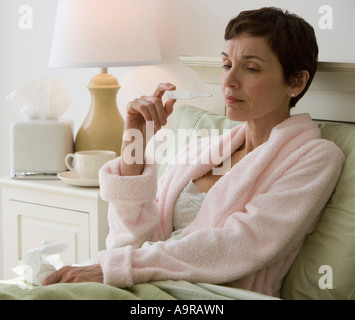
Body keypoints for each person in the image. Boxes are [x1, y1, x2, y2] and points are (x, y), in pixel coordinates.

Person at [44, 7, 344, 297]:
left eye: (251, 68)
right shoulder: (203, 150)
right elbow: (132, 240)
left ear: (296, 82)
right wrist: (133, 139)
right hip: (141, 282)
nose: (228, 81)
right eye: (226, 64)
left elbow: (239, 244)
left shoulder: (314, 158)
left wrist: (117, 268)